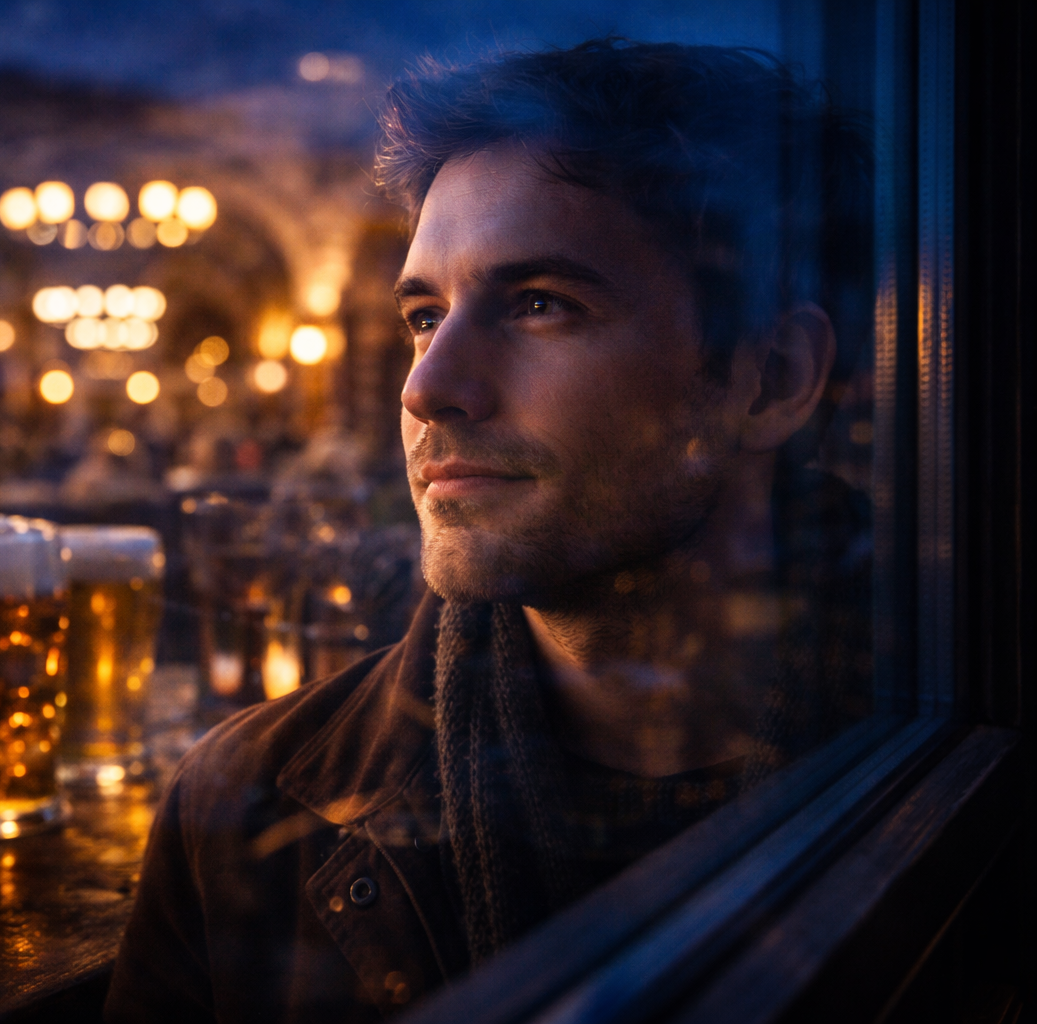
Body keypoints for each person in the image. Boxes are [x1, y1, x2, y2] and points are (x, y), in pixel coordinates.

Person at [105, 39, 872, 1023]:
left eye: (542, 305)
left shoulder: (954, 720)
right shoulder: (246, 801)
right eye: (424, 317)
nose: (427, 387)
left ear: (769, 378)